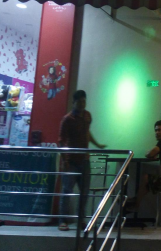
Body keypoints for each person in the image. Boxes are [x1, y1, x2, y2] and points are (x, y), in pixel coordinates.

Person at [58, 90, 106, 231]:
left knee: (84, 192)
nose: (82, 104)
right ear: (73, 102)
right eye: (79, 102)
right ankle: (62, 221)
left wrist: (97, 145)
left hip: (85, 160)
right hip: (71, 161)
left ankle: (80, 220)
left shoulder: (87, 116)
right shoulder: (67, 119)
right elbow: (60, 141)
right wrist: (65, 161)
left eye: (84, 101)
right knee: (67, 191)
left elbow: (86, 133)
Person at [127, 120, 161, 211]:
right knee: (147, 183)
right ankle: (135, 202)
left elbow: (150, 153)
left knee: (146, 178)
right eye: (156, 130)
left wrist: (148, 153)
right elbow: (154, 153)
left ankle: (135, 203)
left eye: (159, 130)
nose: (157, 132)